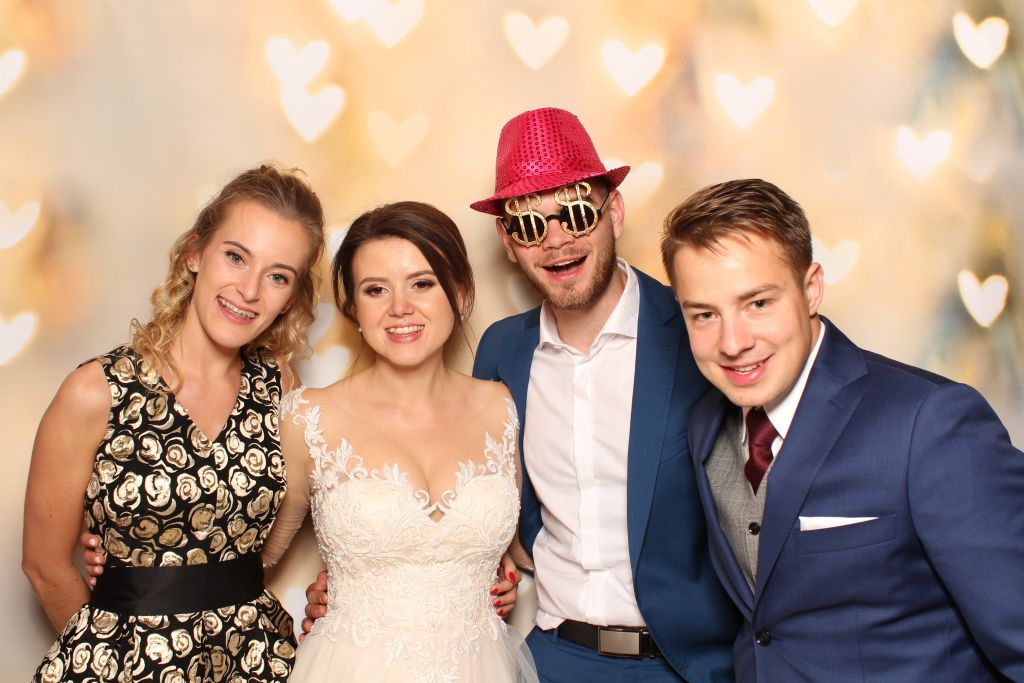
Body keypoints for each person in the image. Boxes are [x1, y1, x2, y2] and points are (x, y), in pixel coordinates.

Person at [303, 109, 739, 681]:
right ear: (508, 243)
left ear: (614, 212)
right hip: (554, 660)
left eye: (576, 214)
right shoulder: (504, 352)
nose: (556, 240)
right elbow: (481, 495)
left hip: (685, 666)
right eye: (530, 226)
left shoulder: (696, 331)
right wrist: (363, 576)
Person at [660, 178, 1024, 681]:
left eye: (758, 303)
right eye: (704, 314)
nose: (733, 342)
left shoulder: (931, 422)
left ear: (811, 288)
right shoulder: (705, 424)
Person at [23, 164, 326, 682]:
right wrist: (109, 655)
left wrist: (344, 584)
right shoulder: (95, 392)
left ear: (291, 298)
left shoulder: (279, 385)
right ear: (194, 252)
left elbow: (285, 523)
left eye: (277, 276)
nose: (249, 290)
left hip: (253, 660)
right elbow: (45, 567)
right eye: (235, 257)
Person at [258, 201, 537, 682]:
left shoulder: (501, 406)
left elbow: (517, 549)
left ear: (460, 292)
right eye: (376, 290)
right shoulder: (309, 417)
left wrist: (505, 577)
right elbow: (251, 558)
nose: (400, 308)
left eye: (422, 284)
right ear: (353, 308)